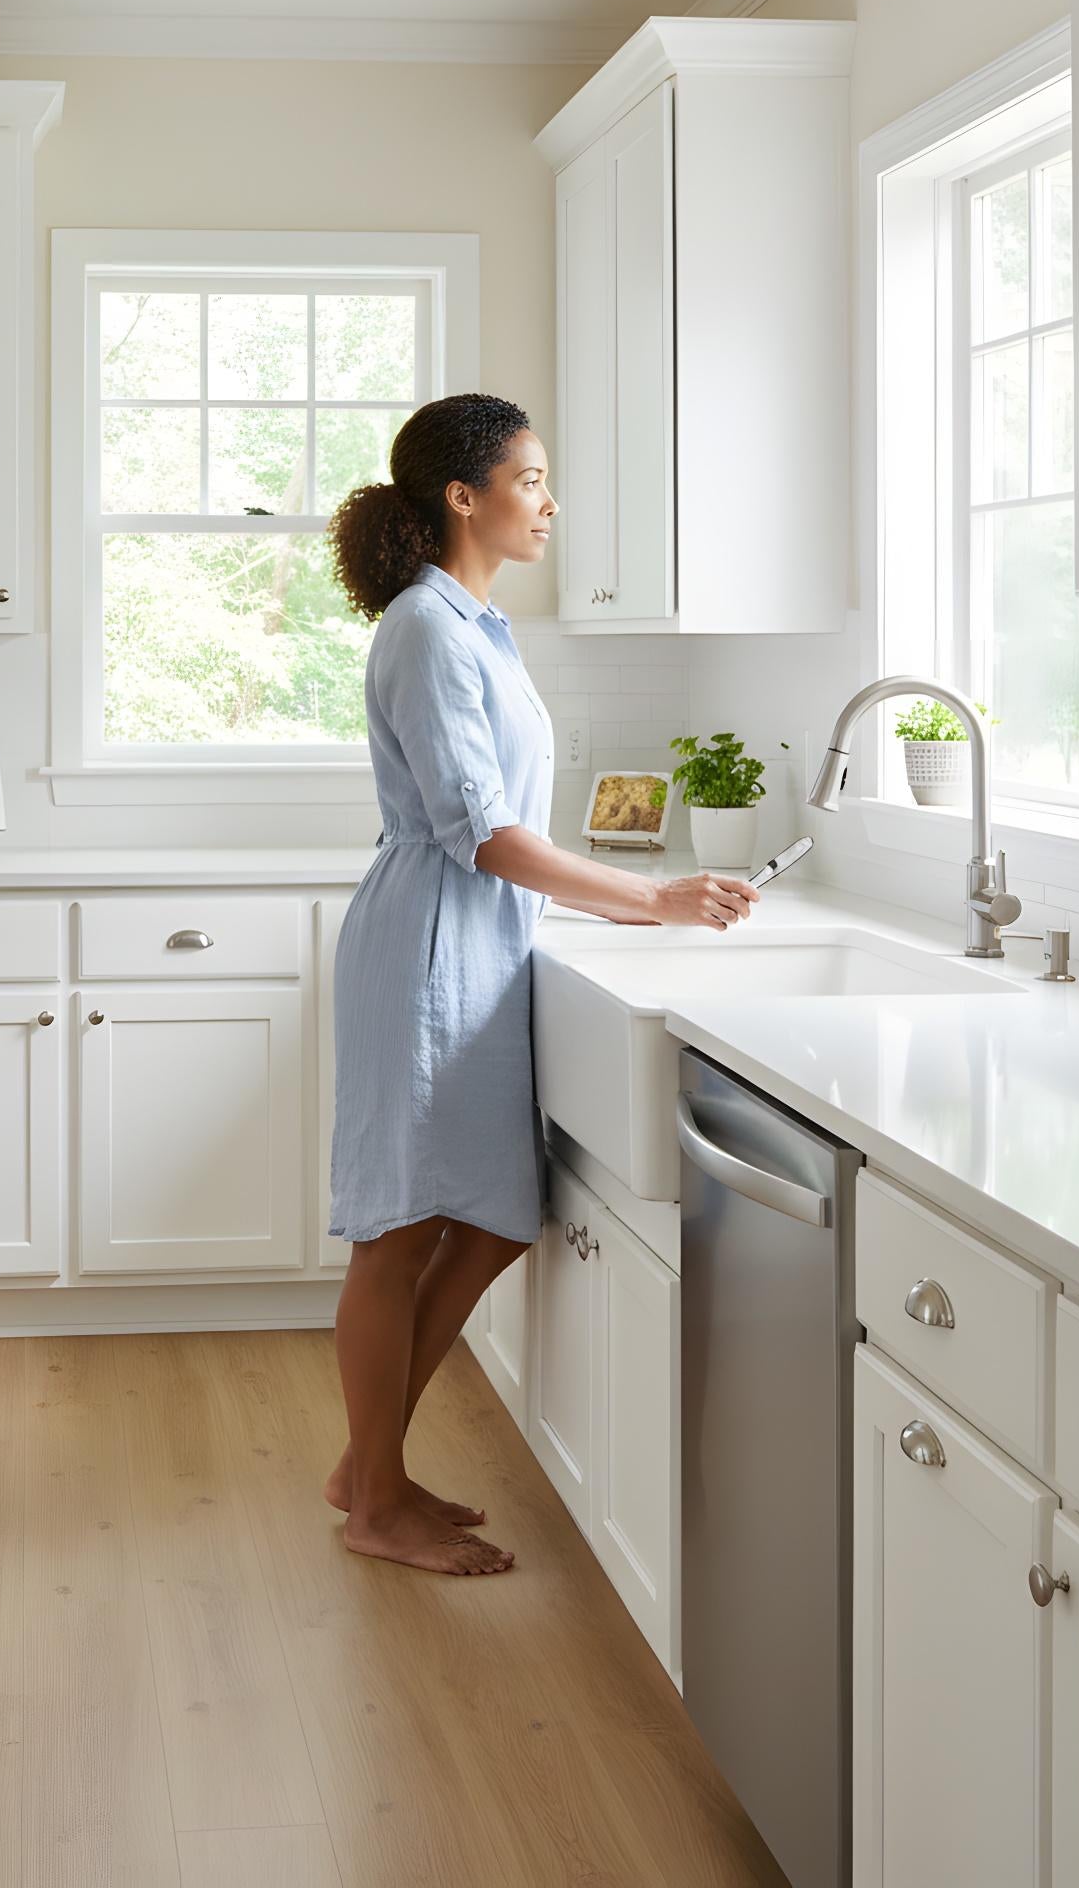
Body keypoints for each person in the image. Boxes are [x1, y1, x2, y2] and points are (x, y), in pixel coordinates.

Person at [323, 392, 759, 1576]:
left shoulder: (472, 625)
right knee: (397, 1228)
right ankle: (375, 1495)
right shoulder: (424, 627)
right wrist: (653, 897)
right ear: (462, 496)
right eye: (529, 477)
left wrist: (631, 896)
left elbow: (503, 834)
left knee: (489, 1214)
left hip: (473, 941)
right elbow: (486, 832)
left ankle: (367, 1464)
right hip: (424, 946)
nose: (549, 500)